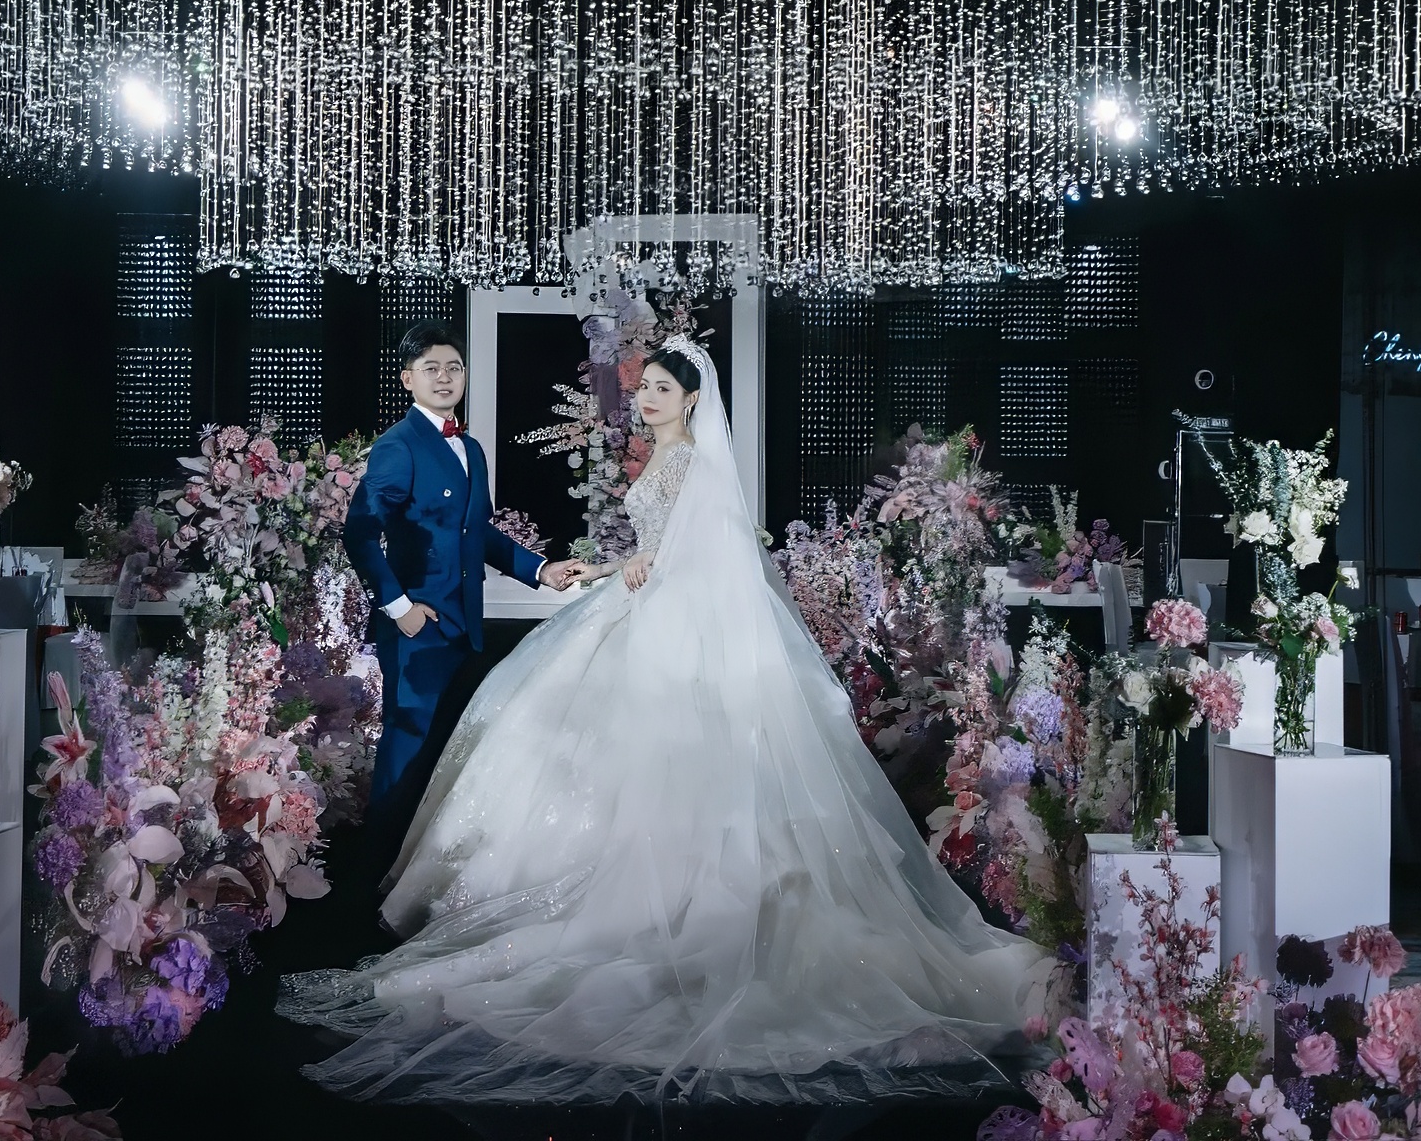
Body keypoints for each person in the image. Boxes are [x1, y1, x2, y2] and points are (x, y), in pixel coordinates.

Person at [281, 336, 1046, 1106]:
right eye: (642, 386)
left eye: (660, 388)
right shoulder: (437, 448)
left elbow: (702, 554)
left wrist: (612, 568)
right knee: (464, 753)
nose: (645, 398)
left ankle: (623, 902)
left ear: (691, 400)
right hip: (481, 618)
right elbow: (387, 532)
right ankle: (379, 899)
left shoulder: (684, 464)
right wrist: (588, 570)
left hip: (655, 623)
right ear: (409, 376)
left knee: (631, 764)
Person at [342, 320, 588, 818]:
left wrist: (541, 570)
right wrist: (400, 609)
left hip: (465, 628)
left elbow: (479, 534)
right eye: (431, 368)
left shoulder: (471, 448)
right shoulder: (398, 445)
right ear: (407, 378)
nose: (444, 377)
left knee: (447, 760)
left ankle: (419, 864)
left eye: (454, 367)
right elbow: (359, 534)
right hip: (418, 629)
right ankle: (378, 861)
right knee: (407, 753)